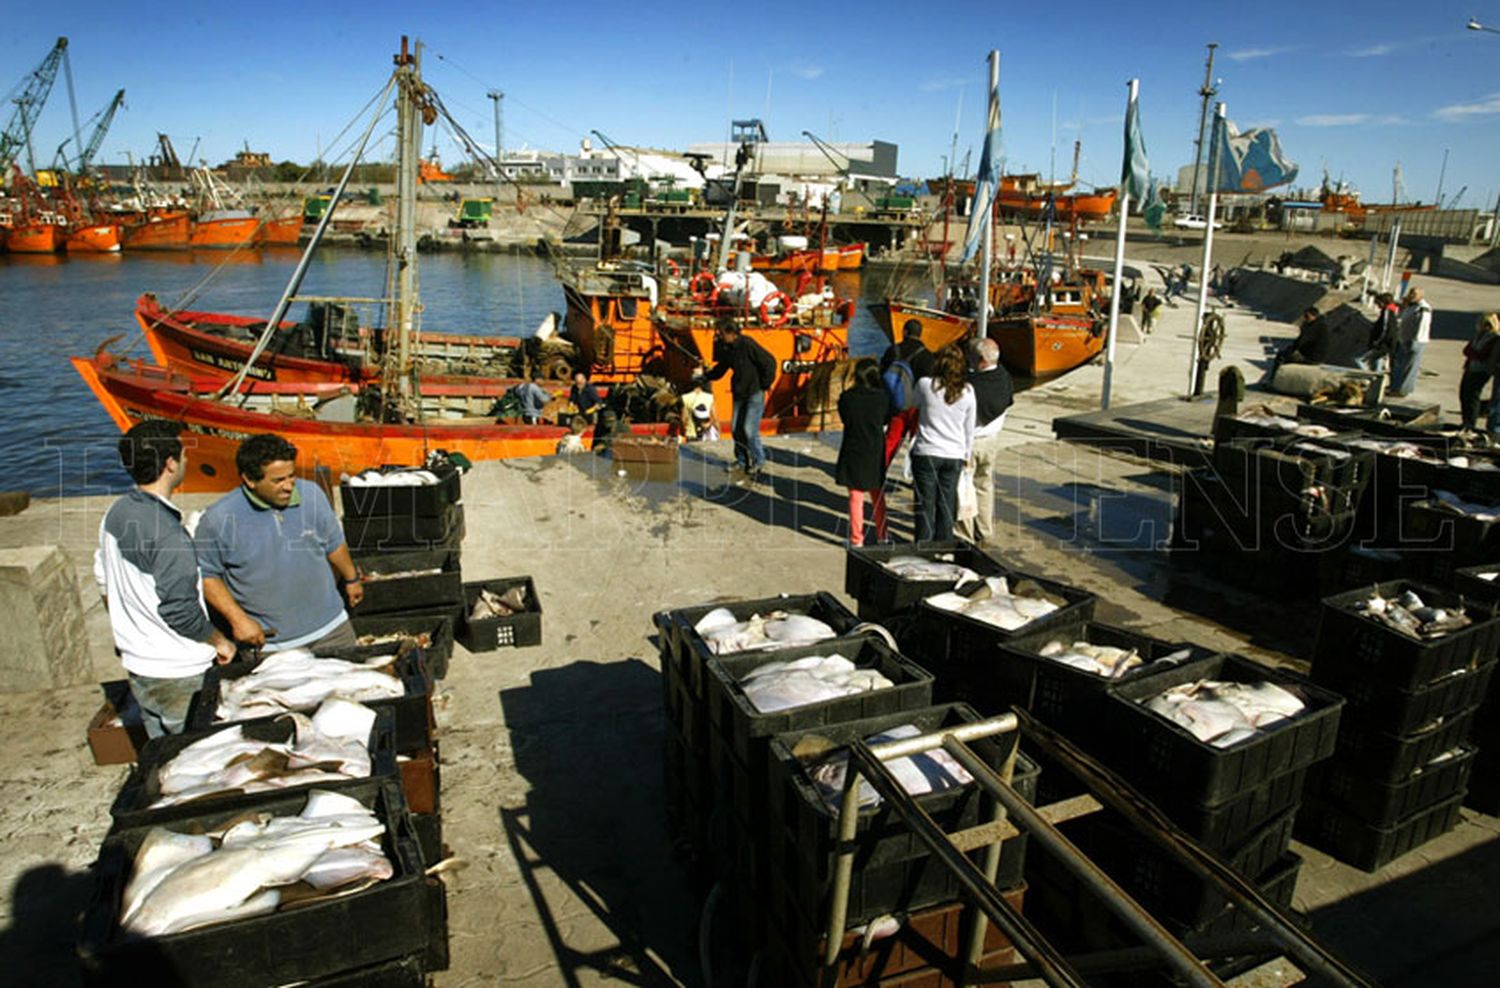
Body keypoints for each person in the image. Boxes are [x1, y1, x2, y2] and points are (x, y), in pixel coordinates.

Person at [94, 421, 236, 737]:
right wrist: (220, 641)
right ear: (170, 464)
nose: (186, 459)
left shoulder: (116, 513)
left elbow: (104, 581)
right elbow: (181, 612)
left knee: (162, 753)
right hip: (179, 672)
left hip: (139, 667)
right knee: (195, 753)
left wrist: (130, 629)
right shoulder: (171, 536)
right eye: (183, 453)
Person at [195, 434, 364, 653]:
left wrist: (351, 578)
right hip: (273, 646)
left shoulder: (312, 494)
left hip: (333, 630)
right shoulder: (218, 519)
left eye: (291, 476)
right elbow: (208, 576)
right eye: (278, 480)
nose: (288, 486)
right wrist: (238, 621)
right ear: (250, 480)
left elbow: (334, 543)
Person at [910, 344, 976, 543]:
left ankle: (923, 546)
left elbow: (912, 405)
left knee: (925, 504)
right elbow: (969, 429)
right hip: (954, 453)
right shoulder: (968, 392)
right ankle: (944, 546)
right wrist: (967, 455)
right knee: (947, 504)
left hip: (927, 450)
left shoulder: (924, 385)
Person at [699, 318, 776, 484]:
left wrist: (765, 384)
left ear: (731, 334)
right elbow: (721, 369)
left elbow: (769, 362)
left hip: (754, 392)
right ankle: (741, 460)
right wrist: (706, 376)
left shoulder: (747, 344)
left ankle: (758, 460)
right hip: (739, 393)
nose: (718, 336)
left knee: (749, 429)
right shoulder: (727, 348)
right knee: (735, 428)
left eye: (721, 333)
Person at [955, 338, 1014, 545]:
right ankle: (985, 529)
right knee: (985, 486)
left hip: (970, 442)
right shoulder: (1005, 378)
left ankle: (964, 534)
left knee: (963, 488)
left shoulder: (971, 386)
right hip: (991, 441)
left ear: (980, 360)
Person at [835, 359, 892, 546]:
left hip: (853, 447)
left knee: (855, 496)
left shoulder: (846, 398)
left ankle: (856, 538)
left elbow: (845, 419)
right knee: (878, 496)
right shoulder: (883, 398)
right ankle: (883, 535)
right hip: (875, 448)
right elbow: (886, 419)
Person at [879, 319, 937, 470]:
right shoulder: (927, 355)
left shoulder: (893, 350)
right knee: (916, 442)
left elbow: (882, 375)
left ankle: (880, 470)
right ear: (920, 334)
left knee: (892, 439)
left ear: (905, 332)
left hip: (896, 403)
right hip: (917, 406)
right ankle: (916, 476)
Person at [1460, 313, 1500, 432]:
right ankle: (1465, 422)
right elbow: (1467, 350)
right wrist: (1474, 353)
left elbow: (1482, 355)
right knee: (1464, 395)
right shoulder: (1479, 335)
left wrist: (1474, 353)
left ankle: (1470, 423)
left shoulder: (1494, 338)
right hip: (1471, 368)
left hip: (1481, 371)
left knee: (1473, 396)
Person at [1390, 287, 1433, 397]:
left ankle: (1404, 390)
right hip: (1404, 339)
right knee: (1400, 365)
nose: (1411, 296)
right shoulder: (1411, 306)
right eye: (1411, 293)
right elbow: (1400, 318)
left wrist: (1415, 340)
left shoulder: (1423, 309)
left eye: (1414, 294)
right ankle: (1396, 387)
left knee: (1409, 367)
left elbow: (1422, 326)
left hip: (1414, 341)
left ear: (1421, 295)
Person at [1274, 307, 1332, 372]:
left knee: (1282, 357)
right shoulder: (1318, 324)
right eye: (1304, 316)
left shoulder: (1317, 326)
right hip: (1312, 355)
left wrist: (1292, 350)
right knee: (1287, 353)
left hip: (1312, 358)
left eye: (1307, 316)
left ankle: (1275, 379)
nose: (1305, 318)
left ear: (1314, 316)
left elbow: (1303, 340)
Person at [1358, 292, 1399, 372]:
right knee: (1377, 363)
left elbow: (1385, 329)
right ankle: (1376, 376)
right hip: (1384, 344)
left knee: (1360, 360)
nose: (1377, 305)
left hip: (1382, 344)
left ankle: (1368, 374)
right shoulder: (1391, 311)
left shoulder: (1387, 312)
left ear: (1383, 302)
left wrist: (1378, 341)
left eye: (1378, 303)